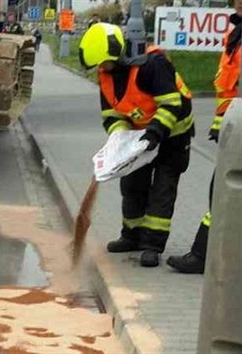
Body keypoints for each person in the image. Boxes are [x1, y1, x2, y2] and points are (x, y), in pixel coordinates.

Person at [79, 23, 195, 267]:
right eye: (98, 65)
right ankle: (131, 236)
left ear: (118, 54)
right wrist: (120, 142)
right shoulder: (106, 74)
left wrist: (154, 133)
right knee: (132, 184)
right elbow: (110, 114)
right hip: (137, 138)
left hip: (173, 136)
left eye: (104, 63)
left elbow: (171, 104)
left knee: (162, 190)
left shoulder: (152, 65)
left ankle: (152, 245)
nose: (101, 68)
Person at [167, 0, 242, 274]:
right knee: (223, 190)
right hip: (235, 125)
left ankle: (202, 256)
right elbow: (229, 88)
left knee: (223, 191)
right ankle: (204, 256)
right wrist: (221, 123)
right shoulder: (235, 36)